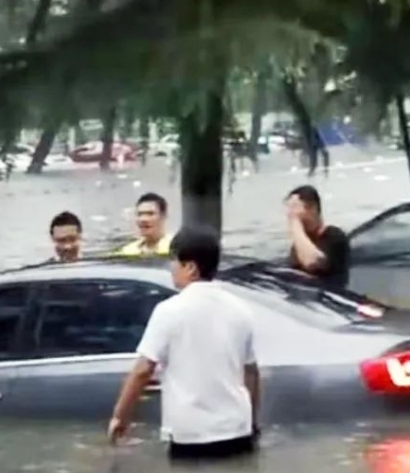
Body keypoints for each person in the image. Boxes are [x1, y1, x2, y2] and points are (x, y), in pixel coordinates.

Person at [107, 226, 261, 458]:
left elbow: (142, 371)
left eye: (174, 262)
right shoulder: (241, 310)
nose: (171, 269)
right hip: (237, 431)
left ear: (190, 268)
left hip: (191, 434)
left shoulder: (168, 311)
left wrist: (120, 417)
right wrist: (252, 421)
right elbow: (251, 373)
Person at [285, 185, 350, 288]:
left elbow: (312, 262)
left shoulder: (334, 236)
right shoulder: (300, 244)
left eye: (295, 208)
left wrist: (295, 223)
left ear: (312, 208)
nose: (291, 215)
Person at [115, 192, 173, 256]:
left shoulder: (176, 248)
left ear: (164, 216)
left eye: (150, 214)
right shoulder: (127, 251)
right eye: (140, 214)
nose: (143, 219)